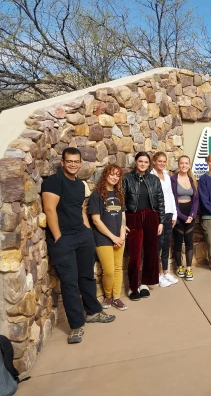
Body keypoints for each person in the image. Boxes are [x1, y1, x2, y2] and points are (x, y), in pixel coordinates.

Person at [42, 147, 115, 344]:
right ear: (63, 163)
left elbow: (80, 208)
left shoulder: (79, 184)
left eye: (76, 161)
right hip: (63, 239)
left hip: (82, 236)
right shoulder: (54, 182)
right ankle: (76, 325)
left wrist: (87, 231)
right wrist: (58, 238)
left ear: (80, 163)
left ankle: (92, 312)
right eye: (69, 161)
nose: (73, 164)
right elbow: (50, 210)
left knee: (86, 277)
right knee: (70, 282)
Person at [123, 152, 166, 300]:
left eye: (145, 162)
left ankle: (144, 283)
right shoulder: (127, 179)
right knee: (134, 255)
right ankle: (133, 286)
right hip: (133, 218)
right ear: (135, 162)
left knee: (150, 252)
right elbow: (122, 201)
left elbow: (160, 200)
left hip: (151, 217)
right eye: (140, 161)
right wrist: (123, 223)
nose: (142, 164)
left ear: (149, 164)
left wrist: (161, 221)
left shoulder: (154, 179)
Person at [88, 164, 128, 311]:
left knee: (118, 268)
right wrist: (113, 238)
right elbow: (96, 221)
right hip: (103, 238)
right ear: (105, 175)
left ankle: (116, 298)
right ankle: (108, 296)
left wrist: (122, 235)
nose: (114, 177)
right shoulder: (96, 195)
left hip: (119, 237)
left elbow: (123, 217)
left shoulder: (119, 194)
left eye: (117, 175)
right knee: (109, 270)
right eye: (112, 174)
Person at [151, 152, 179, 287]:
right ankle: (156, 275)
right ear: (154, 162)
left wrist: (174, 214)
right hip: (158, 215)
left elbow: (171, 195)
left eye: (164, 161)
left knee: (167, 244)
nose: (162, 163)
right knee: (158, 244)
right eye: (159, 161)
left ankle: (165, 272)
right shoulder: (151, 176)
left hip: (169, 213)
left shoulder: (167, 176)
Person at [171, 155, 199, 280]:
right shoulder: (173, 179)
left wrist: (192, 215)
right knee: (177, 241)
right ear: (178, 164)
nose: (184, 165)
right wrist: (181, 216)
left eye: (186, 163)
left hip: (190, 215)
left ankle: (188, 268)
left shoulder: (192, 179)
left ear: (189, 165)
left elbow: (196, 200)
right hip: (178, 214)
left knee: (189, 241)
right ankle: (179, 266)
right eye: (182, 163)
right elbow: (172, 200)